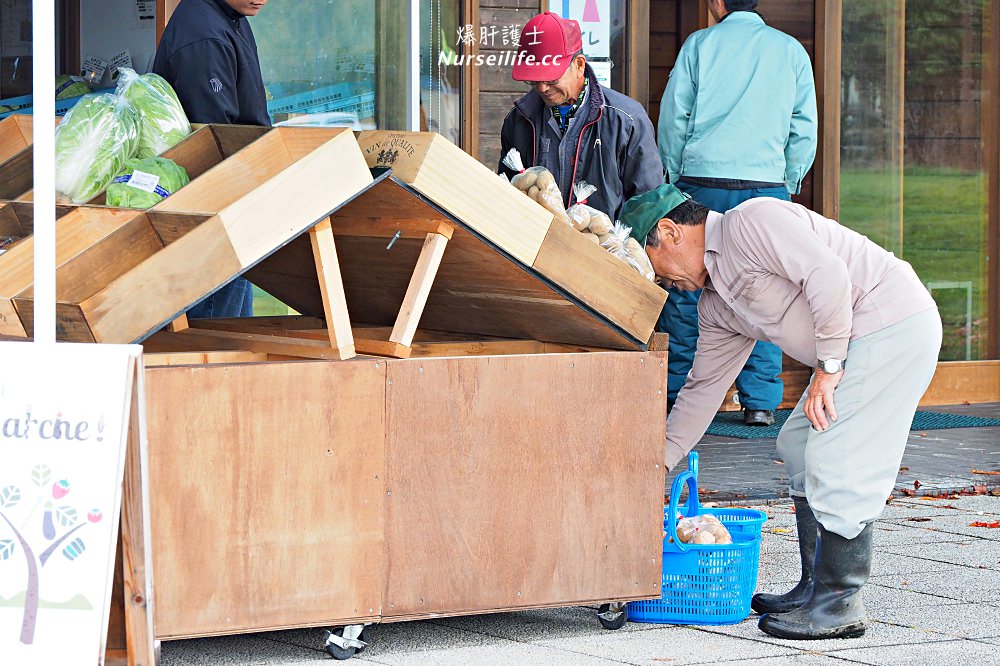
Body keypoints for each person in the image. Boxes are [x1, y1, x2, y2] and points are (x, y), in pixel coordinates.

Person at [622, 184, 941, 640]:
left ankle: (839, 603)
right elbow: (704, 388)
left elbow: (827, 274)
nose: (658, 281)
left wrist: (828, 367)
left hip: (889, 325)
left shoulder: (752, 221)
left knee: (835, 455)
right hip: (851, 347)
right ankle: (815, 586)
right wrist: (658, 463)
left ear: (670, 231)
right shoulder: (714, 304)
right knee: (796, 443)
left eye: (650, 264)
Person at [657, 0, 818, 426]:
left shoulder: (699, 45)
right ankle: (761, 402)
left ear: (716, 3)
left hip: (701, 183)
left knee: (687, 286)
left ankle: (677, 394)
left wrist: (674, 174)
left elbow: (674, 117)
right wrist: (789, 180)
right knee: (767, 291)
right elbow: (803, 128)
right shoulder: (790, 51)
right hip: (765, 188)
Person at [152, 0, 271, 318]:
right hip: (213, 203)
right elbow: (214, 139)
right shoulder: (205, 34)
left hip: (232, 194)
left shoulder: (231, 15)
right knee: (219, 333)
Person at [497, 11, 663, 221]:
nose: (542, 87)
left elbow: (648, 205)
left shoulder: (626, 119)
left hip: (604, 248)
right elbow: (508, 191)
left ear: (579, 65)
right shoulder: (519, 119)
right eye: (533, 79)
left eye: (551, 77)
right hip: (534, 247)